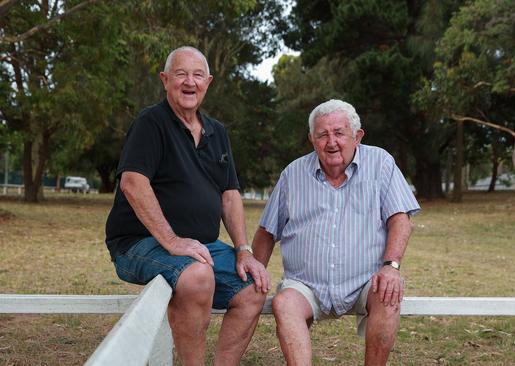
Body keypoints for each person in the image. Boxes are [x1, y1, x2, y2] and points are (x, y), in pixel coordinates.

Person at [105, 46, 270, 366]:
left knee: (253, 288)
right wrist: (171, 240)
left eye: (197, 75)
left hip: (201, 246)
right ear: (165, 80)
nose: (189, 81)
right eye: (180, 74)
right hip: (139, 244)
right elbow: (133, 183)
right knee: (197, 276)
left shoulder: (218, 133)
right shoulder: (150, 122)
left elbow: (230, 194)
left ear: (208, 82)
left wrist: (243, 249)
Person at [245, 99, 420, 365]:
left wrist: (391, 266)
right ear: (311, 140)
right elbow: (267, 231)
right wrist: (254, 278)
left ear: (357, 136)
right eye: (322, 135)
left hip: (366, 281)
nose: (332, 142)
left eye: (339, 133)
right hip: (306, 285)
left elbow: (400, 218)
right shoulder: (293, 175)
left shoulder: (381, 164)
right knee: (284, 304)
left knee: (388, 296)